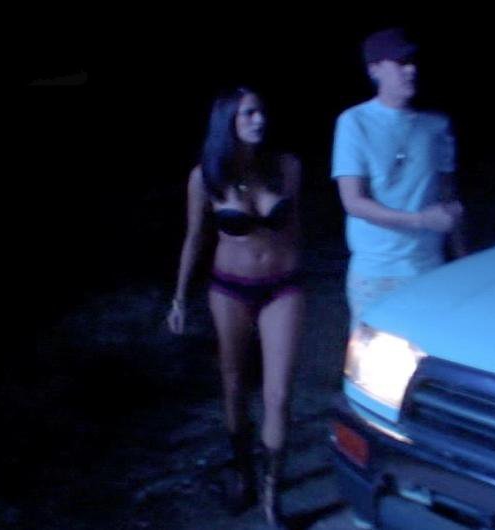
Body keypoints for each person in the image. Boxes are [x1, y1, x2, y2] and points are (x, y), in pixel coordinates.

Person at [167, 87, 302, 529]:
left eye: (261, 112)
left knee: (278, 395)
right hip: (229, 289)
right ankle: (244, 473)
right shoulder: (206, 177)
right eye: (248, 113)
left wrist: (299, 273)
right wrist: (179, 298)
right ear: (227, 121)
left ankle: (272, 496)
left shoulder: (286, 167)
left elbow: (296, 227)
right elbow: (194, 237)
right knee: (233, 386)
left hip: (282, 287)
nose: (259, 120)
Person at [332, 28, 466, 332]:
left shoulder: (437, 125)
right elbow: (353, 201)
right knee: (375, 358)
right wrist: (421, 220)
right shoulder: (354, 122)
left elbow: (449, 197)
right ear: (375, 69)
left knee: (428, 352)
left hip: (429, 268)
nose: (411, 70)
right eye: (400, 63)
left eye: (413, 62)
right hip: (376, 271)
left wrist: (462, 257)